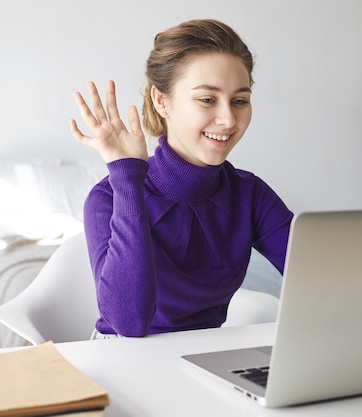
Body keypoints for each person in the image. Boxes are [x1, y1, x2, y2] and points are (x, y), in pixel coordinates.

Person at [69, 19, 293, 338]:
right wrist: (126, 177)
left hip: (204, 356)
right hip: (121, 354)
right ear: (162, 101)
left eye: (240, 100)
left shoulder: (249, 193)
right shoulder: (108, 197)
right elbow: (128, 323)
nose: (229, 119)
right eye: (207, 99)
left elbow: (320, 280)